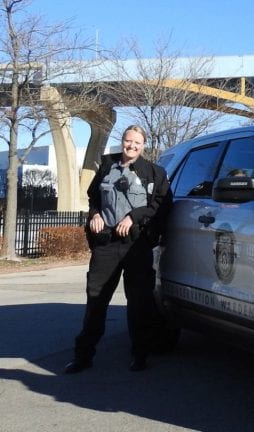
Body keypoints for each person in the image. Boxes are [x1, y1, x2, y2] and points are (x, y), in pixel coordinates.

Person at [64, 125, 171, 374]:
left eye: (137, 142)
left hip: (137, 245)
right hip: (107, 245)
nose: (131, 146)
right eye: (128, 141)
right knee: (96, 300)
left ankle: (140, 355)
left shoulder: (155, 173)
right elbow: (93, 198)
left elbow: (161, 205)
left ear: (143, 145)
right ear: (122, 141)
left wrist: (134, 216)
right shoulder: (106, 165)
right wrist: (95, 215)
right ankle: (83, 356)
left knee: (139, 303)